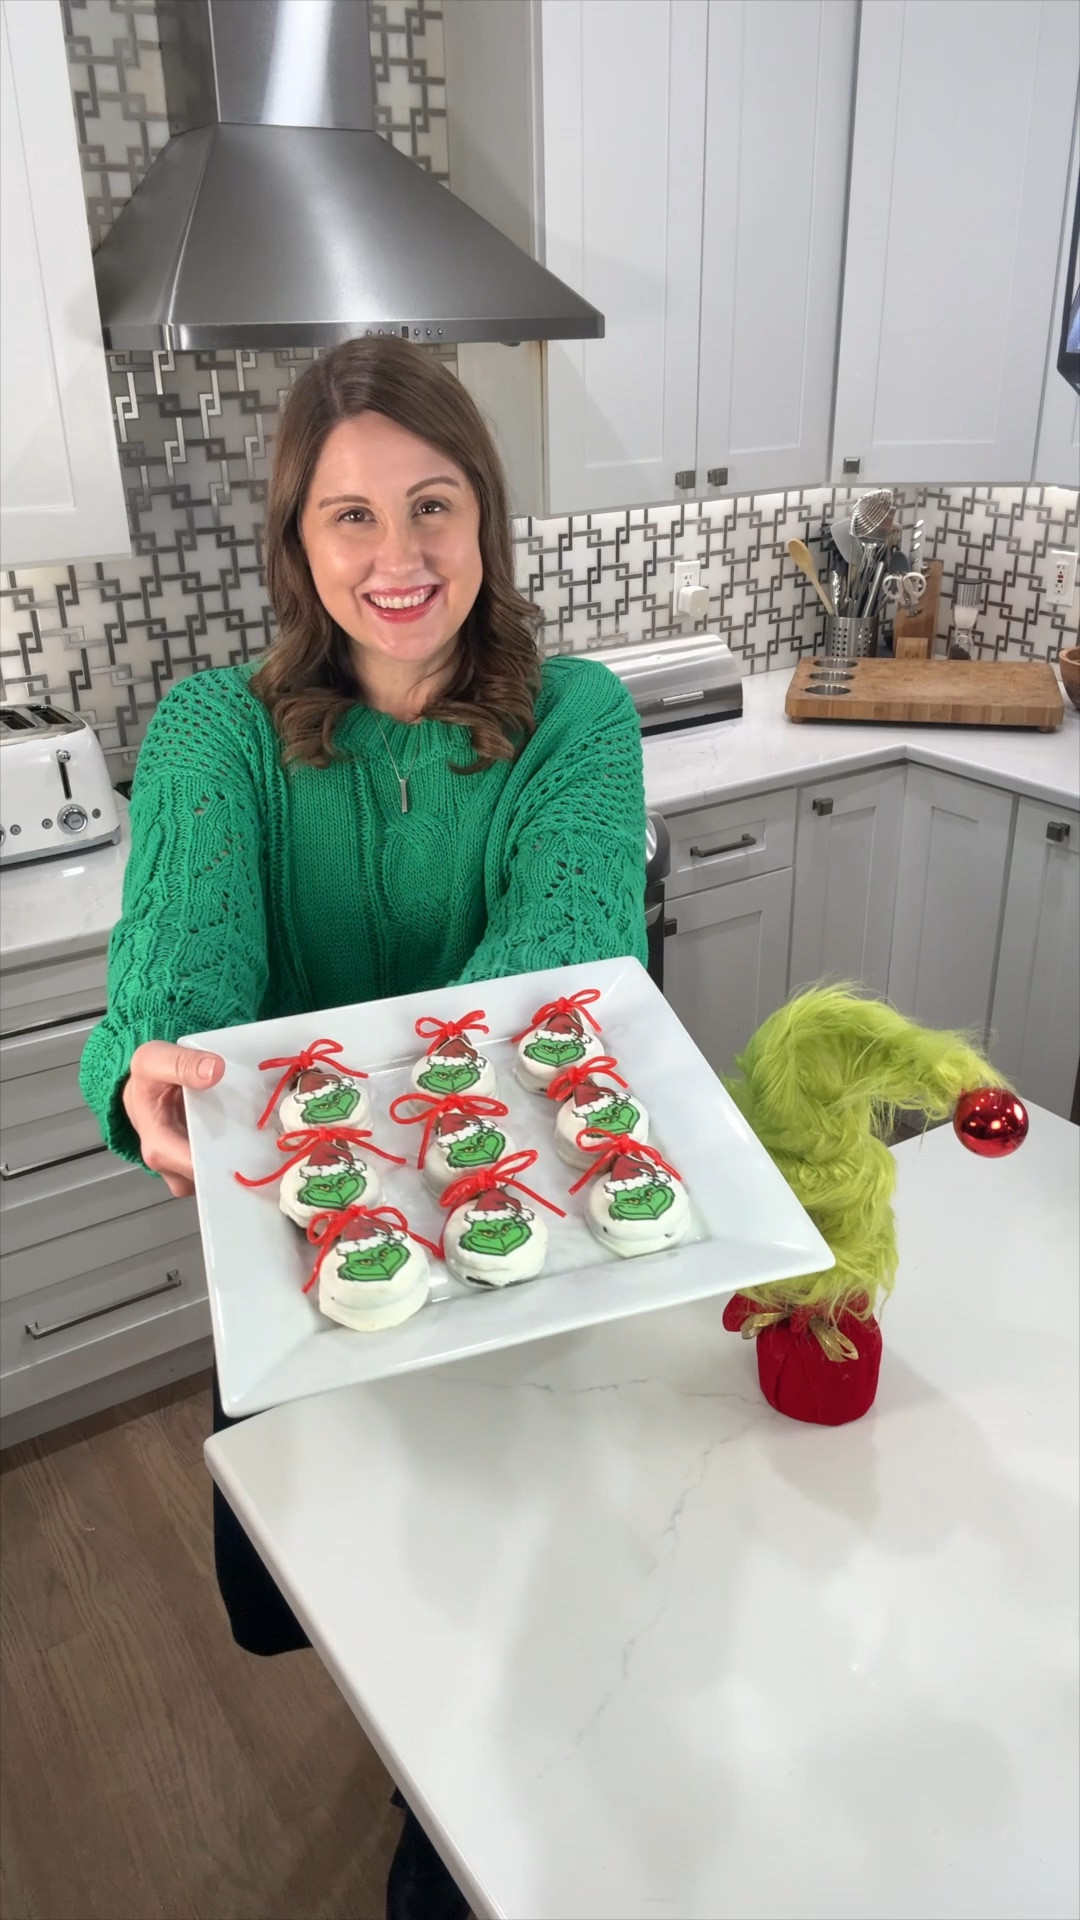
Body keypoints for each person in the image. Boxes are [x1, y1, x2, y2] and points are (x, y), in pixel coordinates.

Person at [80, 336, 648, 1919]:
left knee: (518, 1581)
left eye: (433, 504)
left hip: (519, 1243)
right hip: (313, 1270)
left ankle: (455, 1819)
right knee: (366, 1587)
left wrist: (310, 1091)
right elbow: (181, 969)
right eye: (351, 515)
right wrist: (153, 1063)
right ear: (298, 541)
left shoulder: (580, 718)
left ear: (486, 519)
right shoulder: (215, 731)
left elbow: (563, 959)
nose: (398, 556)